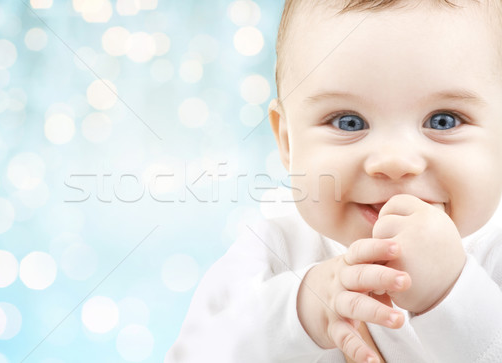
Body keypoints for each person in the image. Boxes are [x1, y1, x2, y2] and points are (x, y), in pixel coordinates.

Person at [166, 0, 502, 361]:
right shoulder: (272, 255)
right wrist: (300, 313)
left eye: (443, 121)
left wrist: (452, 293)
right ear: (288, 142)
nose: (393, 162)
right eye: (349, 122)